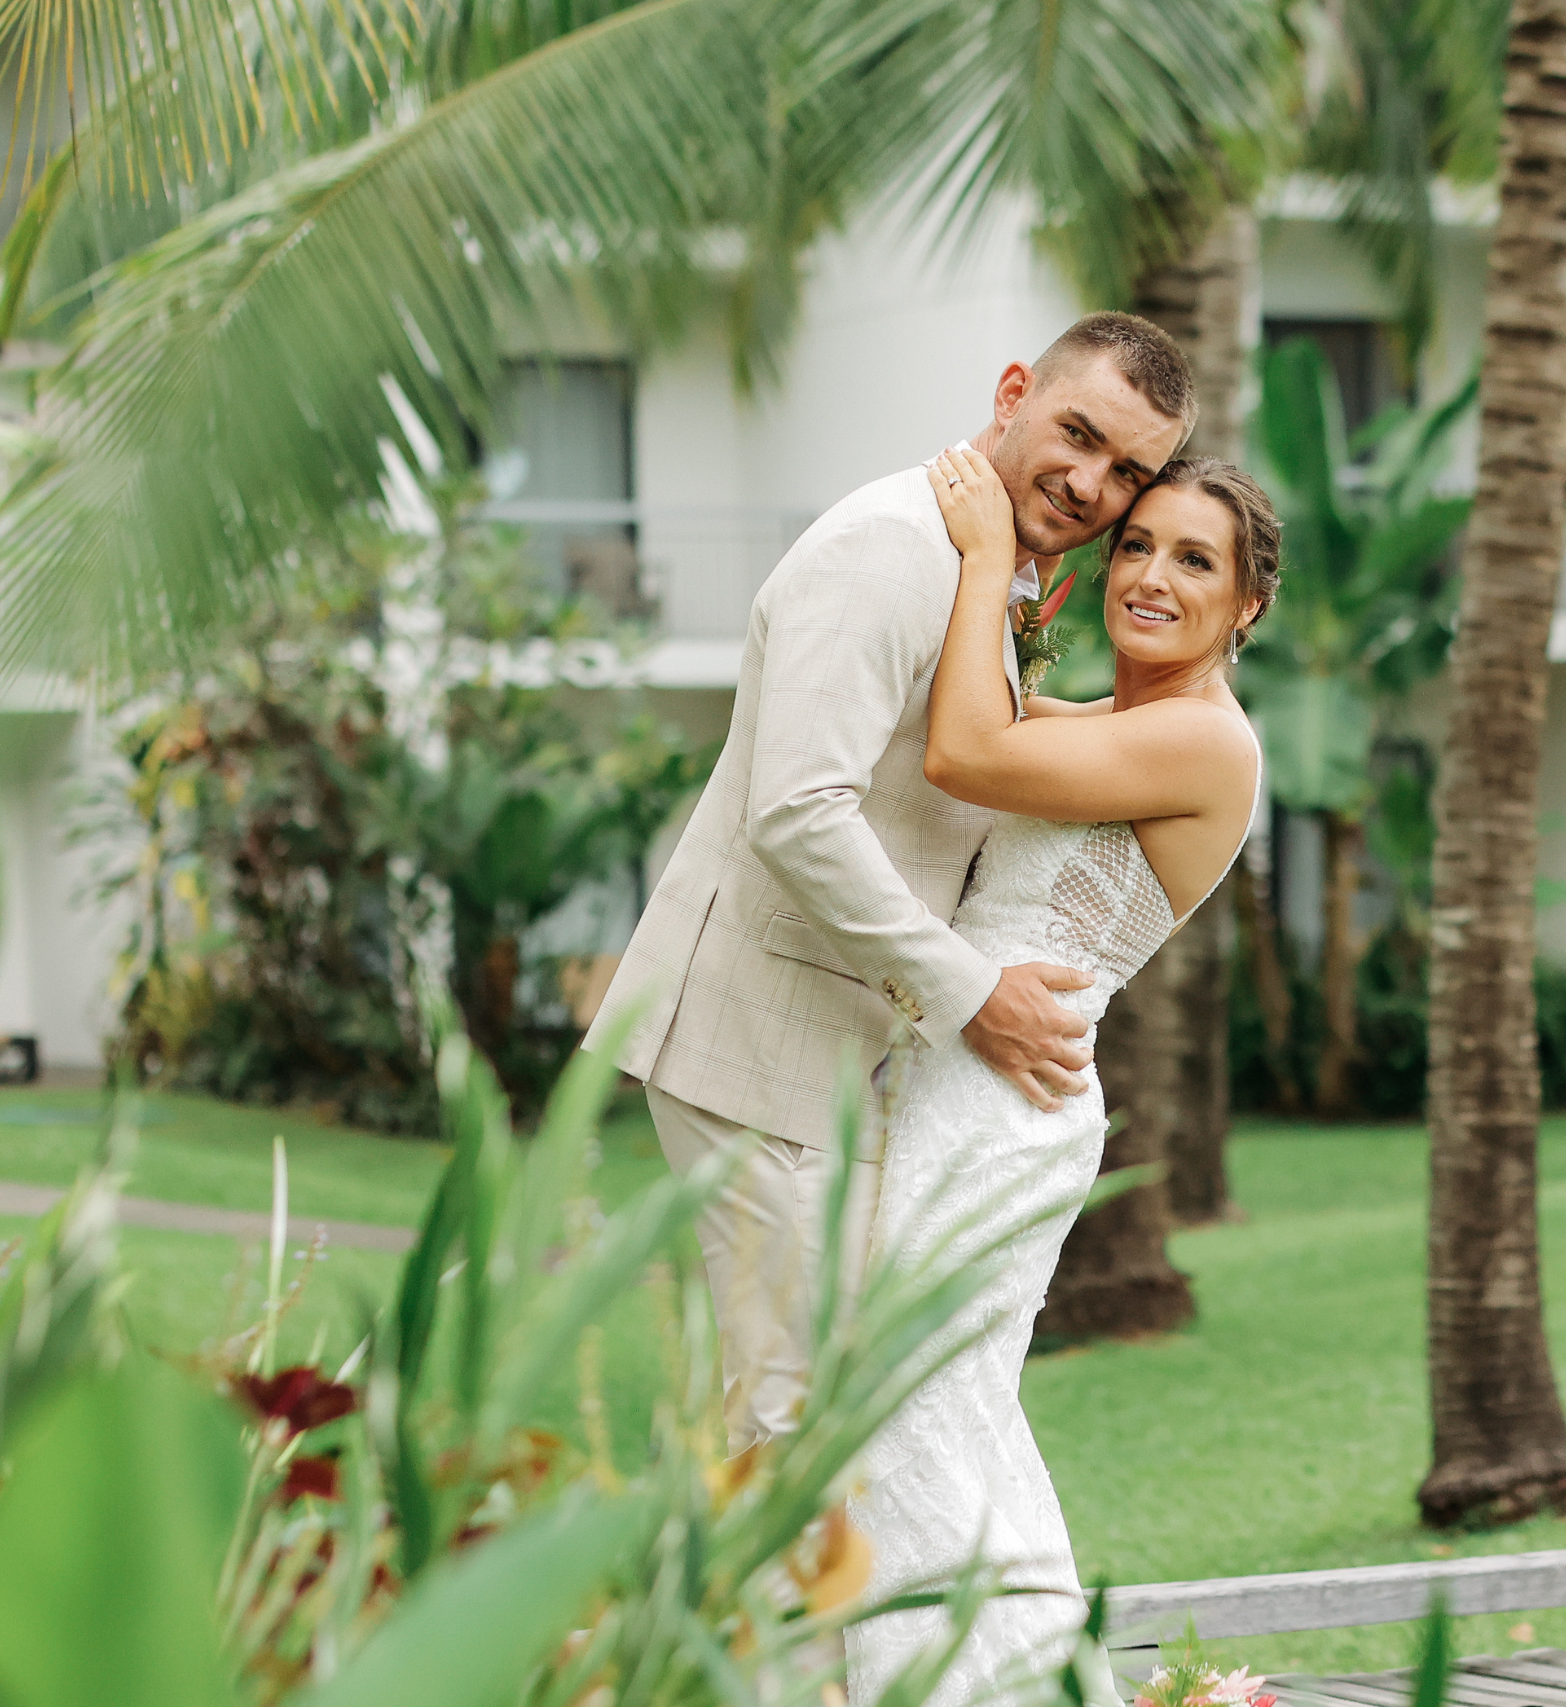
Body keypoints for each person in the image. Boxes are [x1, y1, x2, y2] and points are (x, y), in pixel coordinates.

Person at [580, 313, 1197, 1457]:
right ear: (1012, 390)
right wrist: (973, 991)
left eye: (1128, 472)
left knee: (826, 1415)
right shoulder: (887, 547)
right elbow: (796, 813)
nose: (1090, 485)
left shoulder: (980, 565)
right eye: (1077, 434)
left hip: (844, 1047)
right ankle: (746, 1639)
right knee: (789, 1418)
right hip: (759, 1041)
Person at [844, 448, 1280, 1706]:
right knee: (932, 1417)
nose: (1149, 574)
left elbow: (966, 755)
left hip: (998, 1107)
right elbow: (969, 717)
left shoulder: (1204, 745)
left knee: (909, 1411)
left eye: (1194, 560)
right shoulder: (1118, 722)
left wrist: (990, 556)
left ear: (1245, 606)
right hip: (952, 1074)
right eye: (1136, 544)